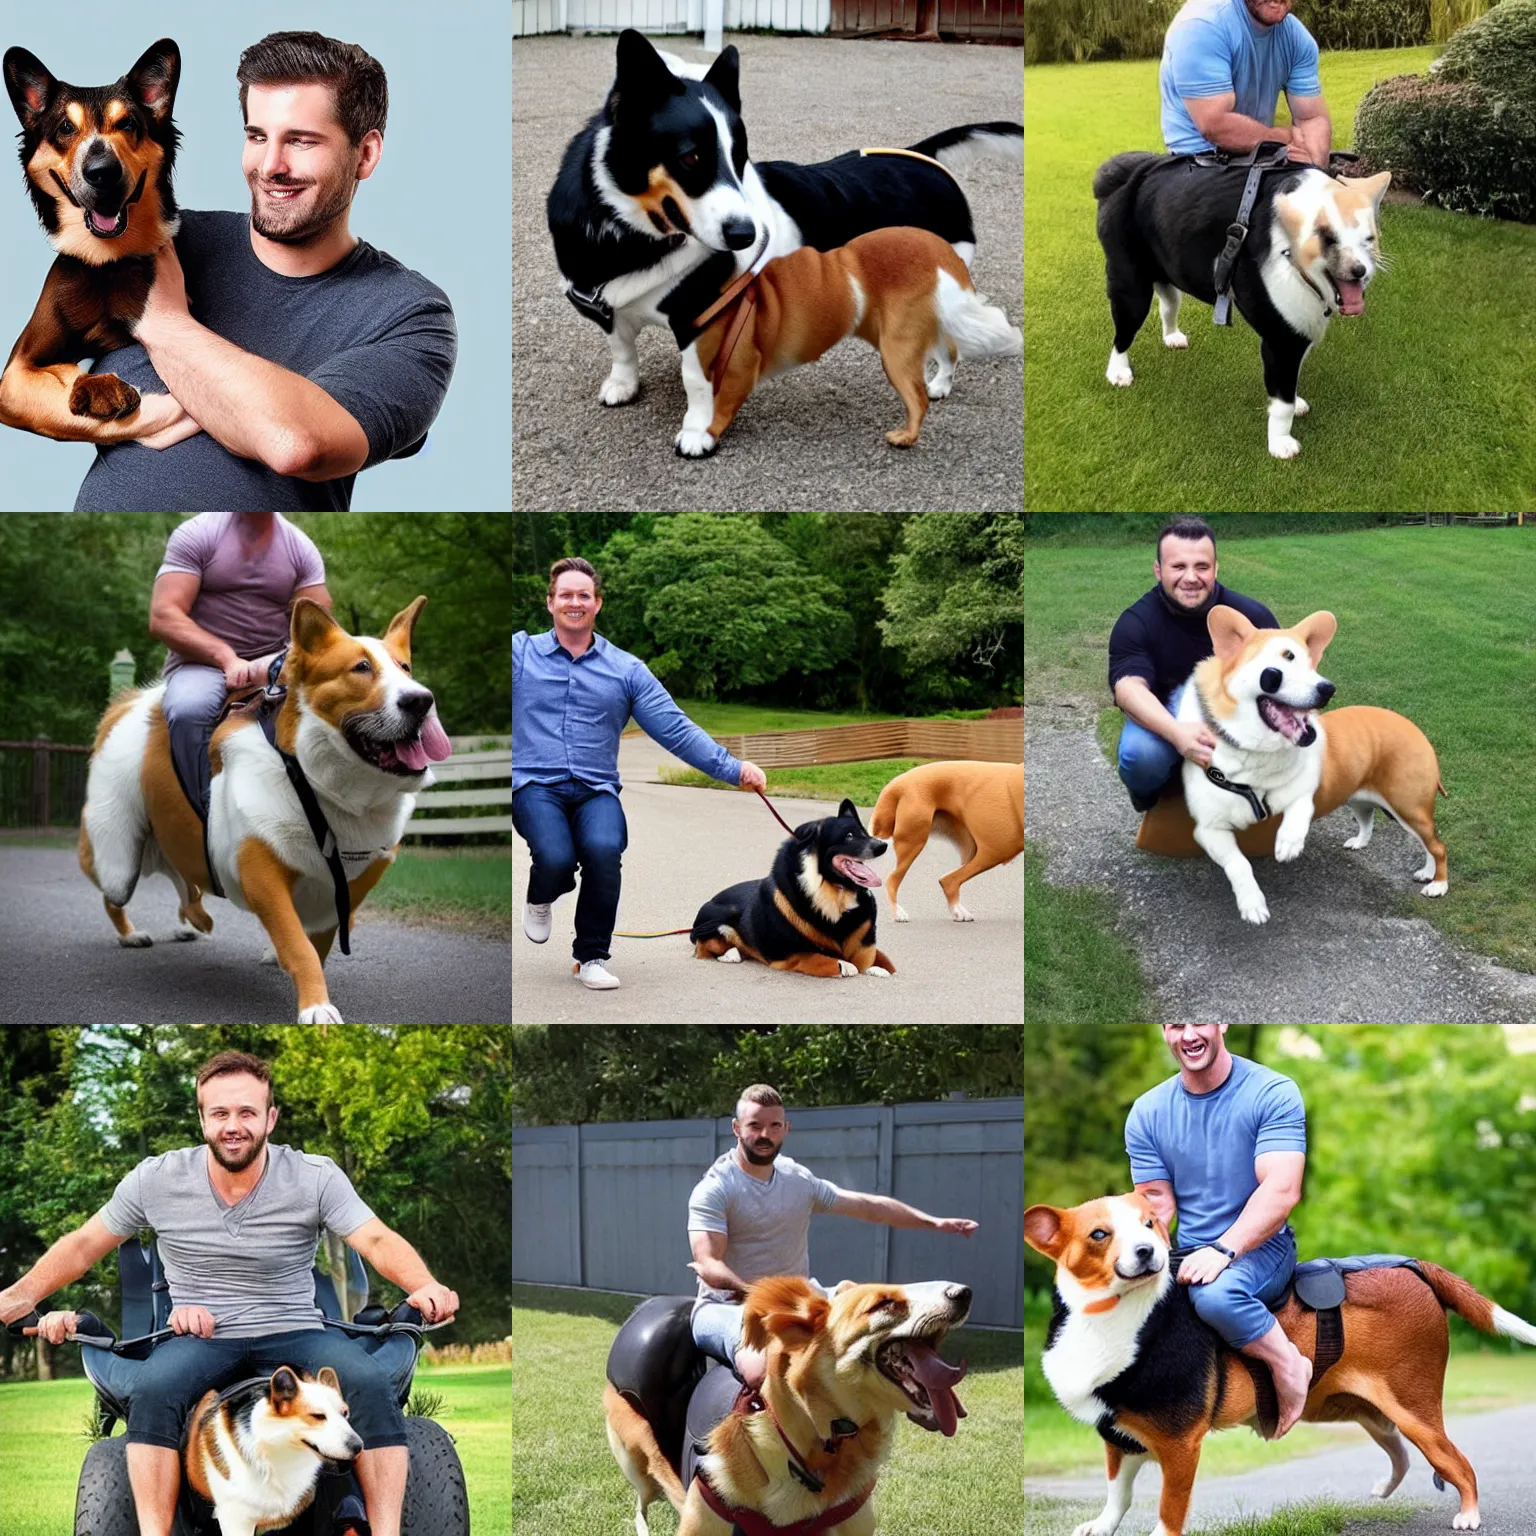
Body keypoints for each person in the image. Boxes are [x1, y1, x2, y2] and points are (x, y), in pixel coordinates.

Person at [0, 1051, 458, 1536]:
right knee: (152, 1390)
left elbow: (377, 1239)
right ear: (201, 1119)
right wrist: (24, 1292)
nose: (232, 1125)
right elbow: (83, 1245)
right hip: (200, 1339)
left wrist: (423, 1285)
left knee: (366, 1380)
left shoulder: (314, 1175)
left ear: (270, 1118)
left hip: (295, 1329)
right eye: (219, 1113)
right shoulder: (156, 1179)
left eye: (246, 1112)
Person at [58, 31, 456, 511]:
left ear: (366, 155)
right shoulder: (156, 240)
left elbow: (295, 443)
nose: (270, 166)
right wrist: (145, 418)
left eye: (302, 141)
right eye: (257, 136)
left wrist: (160, 323)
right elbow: (16, 387)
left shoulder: (410, 314)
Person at [511, 556, 767, 992]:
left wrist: (733, 768)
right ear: (550, 602)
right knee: (554, 859)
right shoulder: (520, 655)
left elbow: (675, 729)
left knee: (604, 849)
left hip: (596, 790)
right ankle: (540, 896)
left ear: (598, 604)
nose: (575, 602)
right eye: (566, 595)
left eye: (584, 596)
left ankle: (591, 957)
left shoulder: (626, 669)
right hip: (535, 785)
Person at [687, 1084, 979, 1388]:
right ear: (736, 1128)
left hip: (799, 1301)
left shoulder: (797, 1180)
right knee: (762, 1369)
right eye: (755, 1126)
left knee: (878, 1317)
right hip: (727, 1308)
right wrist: (757, 1296)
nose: (765, 1135)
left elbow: (869, 1207)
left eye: (774, 1126)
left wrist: (935, 1222)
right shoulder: (716, 1188)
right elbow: (708, 1263)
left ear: (786, 1128)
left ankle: (919, 1396)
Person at [1127, 1023, 1313, 1436]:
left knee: (1216, 1298)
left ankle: (1289, 1365)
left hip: (1261, 1248)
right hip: (1191, 1250)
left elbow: (1282, 1191)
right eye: (1176, 1025)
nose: (1188, 1035)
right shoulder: (1147, 1111)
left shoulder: (1272, 1092)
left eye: (1198, 1022)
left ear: (1222, 1023)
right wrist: (1147, 1261)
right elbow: (1156, 1204)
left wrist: (1225, 1249)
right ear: (1163, 1031)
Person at [149, 512, 331, 820]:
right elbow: (164, 615)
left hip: (274, 665)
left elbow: (317, 631)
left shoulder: (300, 548)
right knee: (188, 709)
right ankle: (204, 815)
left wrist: (274, 663)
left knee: (326, 706)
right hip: (201, 664)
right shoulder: (198, 533)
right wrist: (225, 656)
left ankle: (314, 818)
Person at [1108, 516, 1277, 811]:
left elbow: (1283, 681)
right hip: (1165, 715)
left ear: (1215, 569)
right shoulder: (1135, 622)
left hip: (1235, 712)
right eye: (1178, 567)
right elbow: (1128, 688)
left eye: (1202, 566)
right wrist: (1177, 733)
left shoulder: (1253, 617)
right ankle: (1150, 792)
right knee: (1140, 755)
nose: (1190, 577)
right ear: (1158, 571)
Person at [1161, 0, 1333, 164]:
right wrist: (1284, 139)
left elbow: (1311, 118)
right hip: (1198, 161)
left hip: (1259, 156)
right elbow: (1215, 125)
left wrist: (1313, 161)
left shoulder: (1297, 38)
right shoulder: (1203, 24)